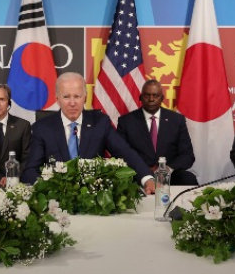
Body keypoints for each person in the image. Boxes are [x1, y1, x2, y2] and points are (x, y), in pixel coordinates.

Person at [21, 72, 155, 195]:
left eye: (77, 96)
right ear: (57, 99)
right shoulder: (42, 128)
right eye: (66, 97)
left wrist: (147, 178)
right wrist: (50, 188)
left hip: (93, 196)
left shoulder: (100, 123)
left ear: (85, 98)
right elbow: (30, 171)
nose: (72, 103)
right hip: (57, 200)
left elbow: (125, 153)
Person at [117, 80, 198, 186]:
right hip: (137, 174)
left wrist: (166, 169)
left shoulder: (176, 120)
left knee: (188, 179)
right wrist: (143, 169)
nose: (151, 99)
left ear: (162, 98)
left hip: (169, 174)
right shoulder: (126, 121)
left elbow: (187, 155)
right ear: (140, 97)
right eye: (147, 95)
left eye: (155, 96)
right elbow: (120, 154)